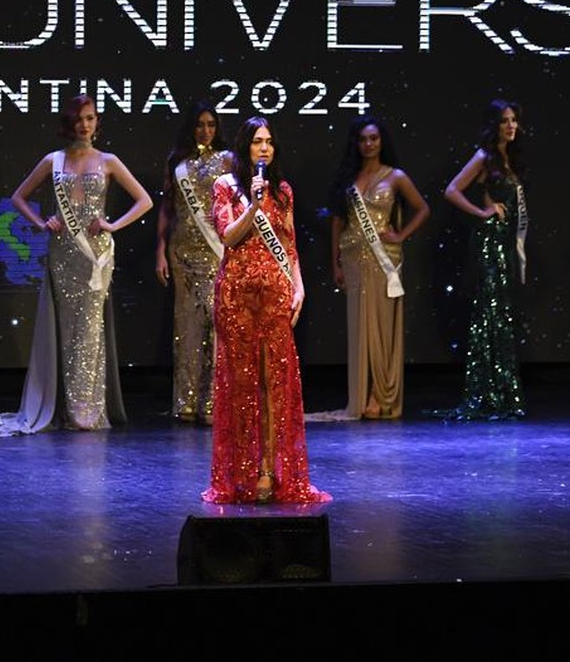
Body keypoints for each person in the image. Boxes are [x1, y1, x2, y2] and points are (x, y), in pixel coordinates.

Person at [0, 94, 153, 437]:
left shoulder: (108, 161)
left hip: (96, 256)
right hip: (63, 253)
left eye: (90, 118)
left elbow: (145, 200)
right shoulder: (53, 160)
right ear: (68, 123)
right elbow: (18, 197)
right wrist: (41, 221)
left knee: (90, 329)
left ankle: (86, 411)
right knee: (63, 328)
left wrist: (113, 225)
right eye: (78, 118)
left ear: (97, 122)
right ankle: (66, 406)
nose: (84, 125)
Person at [201, 116, 331, 504]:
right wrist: (253, 205)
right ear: (245, 147)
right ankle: (241, 471)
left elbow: (289, 246)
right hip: (237, 297)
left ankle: (270, 470)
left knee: (274, 385)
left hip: (275, 296)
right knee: (240, 385)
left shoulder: (284, 191)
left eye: (269, 142)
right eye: (257, 141)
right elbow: (229, 236)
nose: (264, 148)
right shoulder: (225, 187)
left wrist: (300, 286)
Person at [308, 114, 430, 422]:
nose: (368, 144)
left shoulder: (396, 176)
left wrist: (401, 235)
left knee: (382, 328)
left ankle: (381, 396)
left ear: (381, 141)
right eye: (363, 139)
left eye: (373, 138)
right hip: (352, 259)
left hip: (384, 259)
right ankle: (361, 397)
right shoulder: (348, 178)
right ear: (356, 143)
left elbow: (423, 208)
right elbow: (338, 221)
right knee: (360, 329)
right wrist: (334, 261)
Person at [428, 98, 529, 421]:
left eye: (514, 120)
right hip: (488, 242)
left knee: (500, 315)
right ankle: (489, 393)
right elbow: (452, 189)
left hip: (505, 242)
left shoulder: (509, 158)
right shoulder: (484, 157)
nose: (511, 125)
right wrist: (482, 211)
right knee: (489, 313)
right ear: (493, 125)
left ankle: (501, 392)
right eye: (504, 121)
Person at [155, 100, 233, 424]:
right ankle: (186, 403)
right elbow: (167, 208)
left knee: (216, 328)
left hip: (216, 251)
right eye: (200, 124)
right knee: (185, 329)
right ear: (191, 127)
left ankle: (212, 403)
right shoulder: (178, 162)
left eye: (211, 124)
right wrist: (160, 249)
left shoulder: (228, 160)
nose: (206, 130)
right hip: (182, 252)